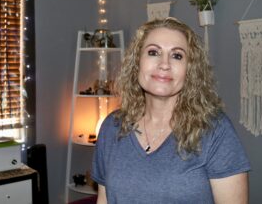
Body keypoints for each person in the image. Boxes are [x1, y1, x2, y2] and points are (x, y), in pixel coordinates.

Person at [92, 17, 251, 203]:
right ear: (137, 63)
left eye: (177, 56)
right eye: (153, 52)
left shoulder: (214, 130)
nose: (164, 64)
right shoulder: (112, 127)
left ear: (190, 70)